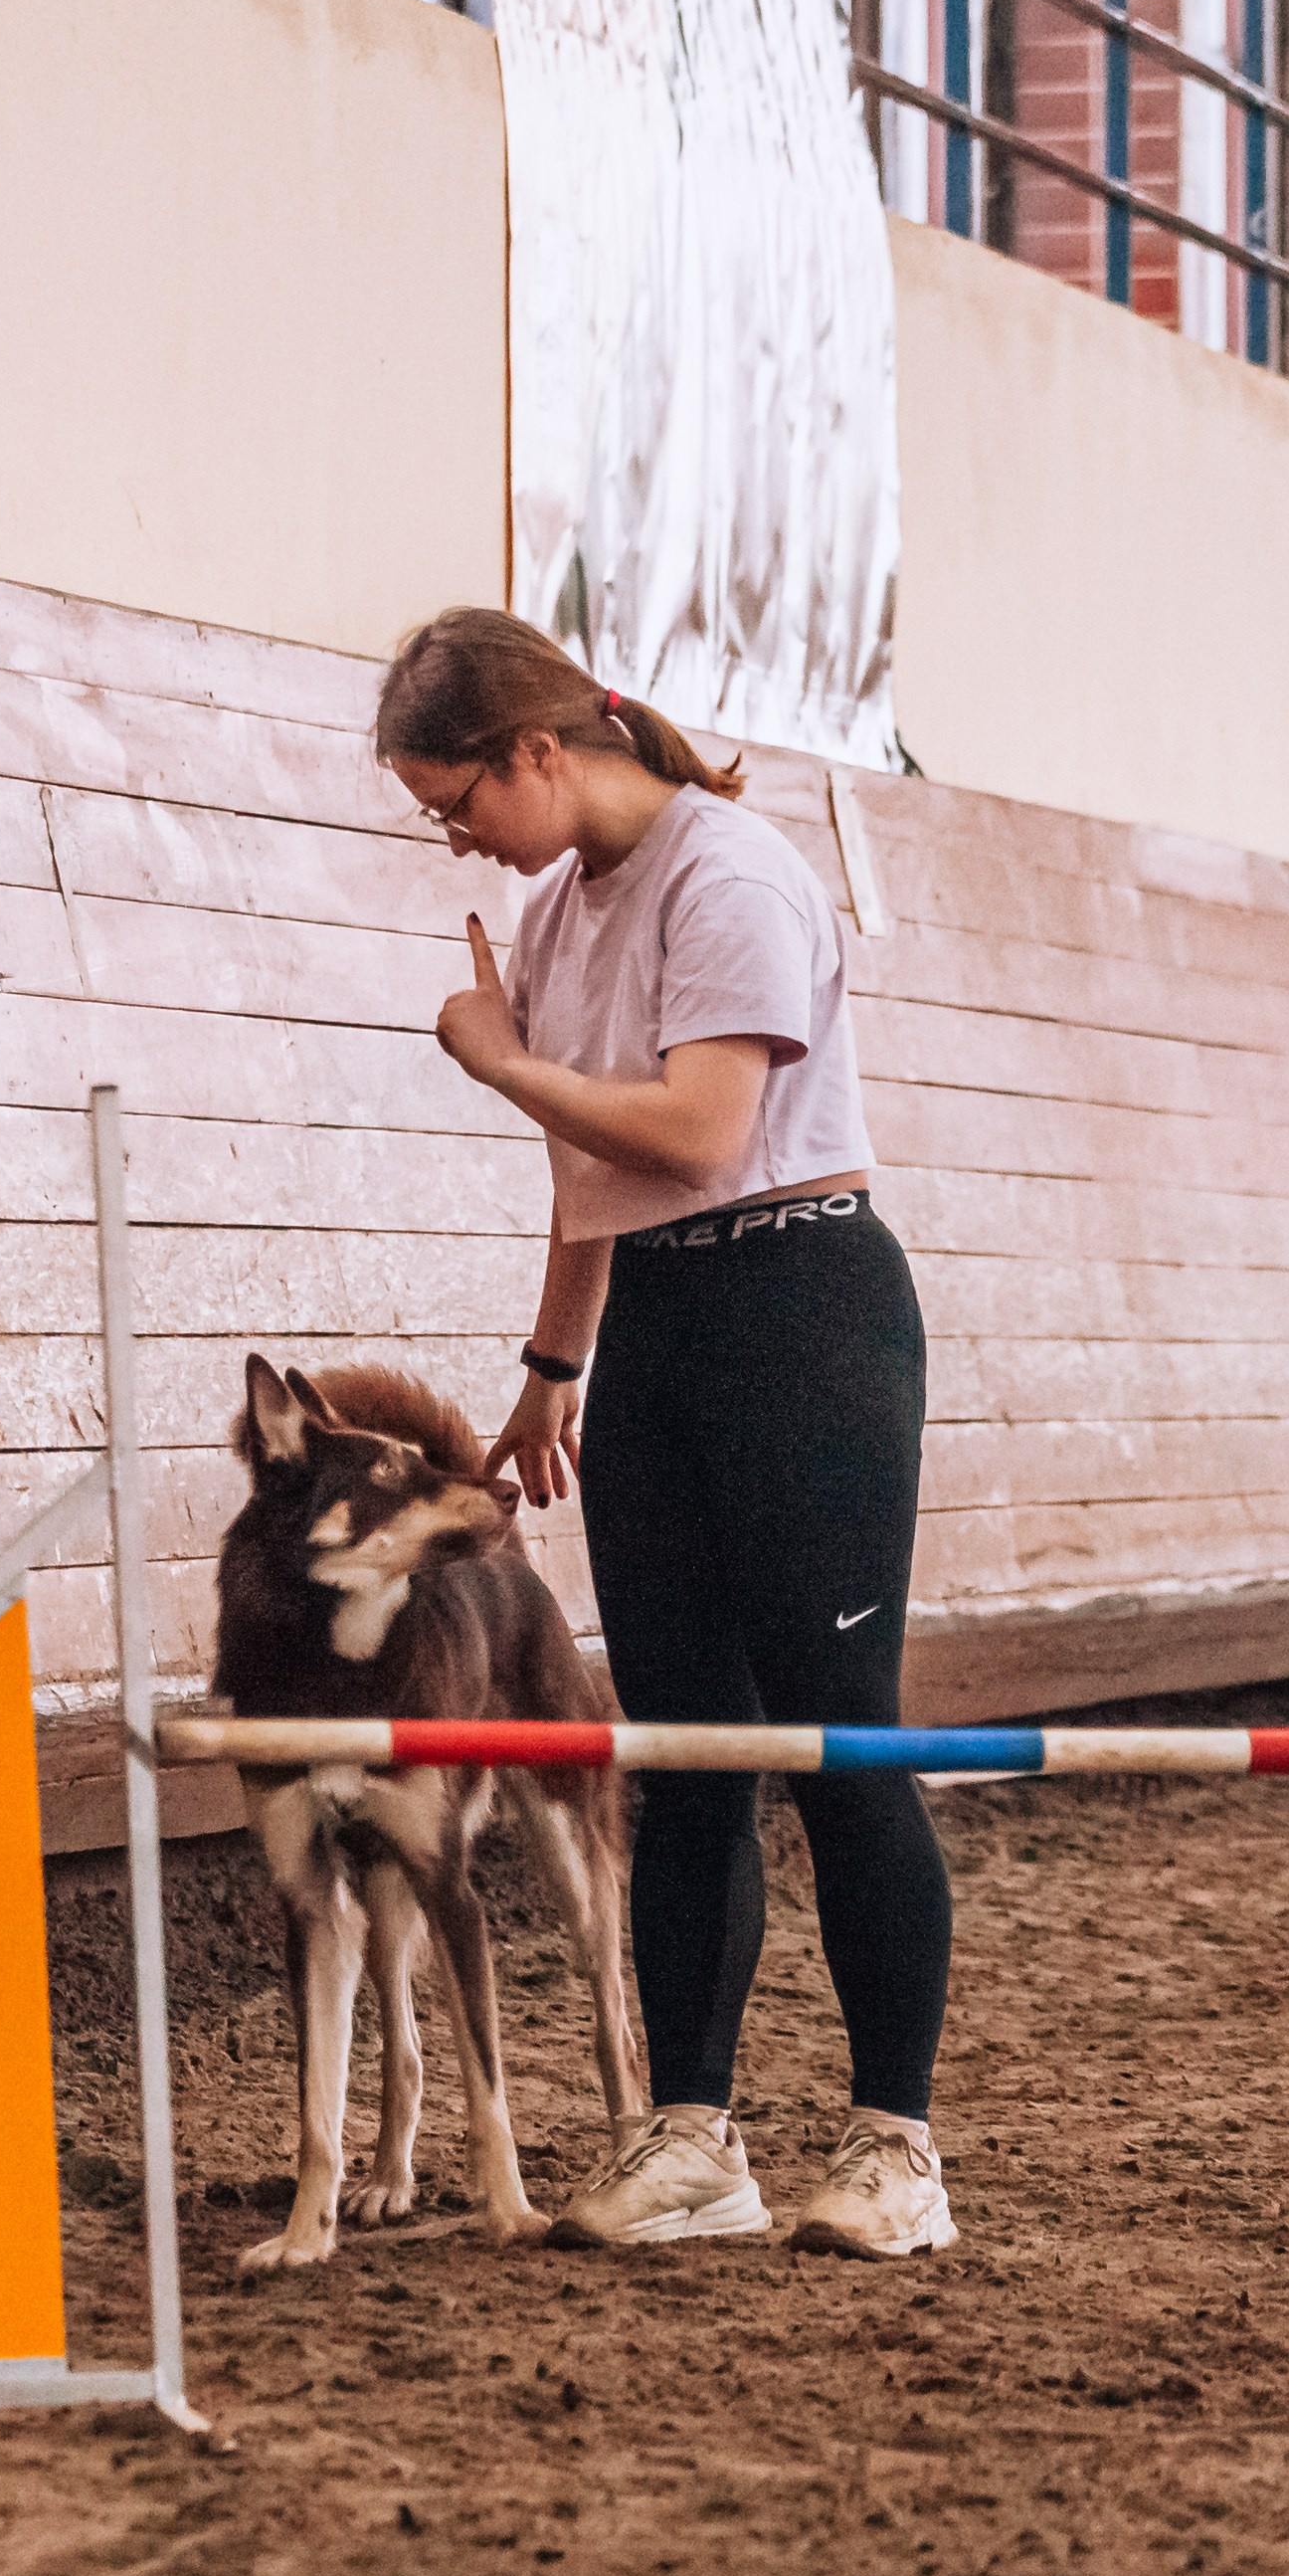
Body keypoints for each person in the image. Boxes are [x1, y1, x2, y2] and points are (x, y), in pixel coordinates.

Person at [375, 608, 954, 2262]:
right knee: (685, 1745)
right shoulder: (565, 908)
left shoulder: (731, 876)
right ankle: (696, 2135)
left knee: (843, 1735)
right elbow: (601, 1176)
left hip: (806, 1317)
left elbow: (698, 1135)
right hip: (665, 1332)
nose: (455, 837)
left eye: (456, 800)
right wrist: (555, 1362)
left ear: (539, 751)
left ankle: (897, 2143)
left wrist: (498, 1063)